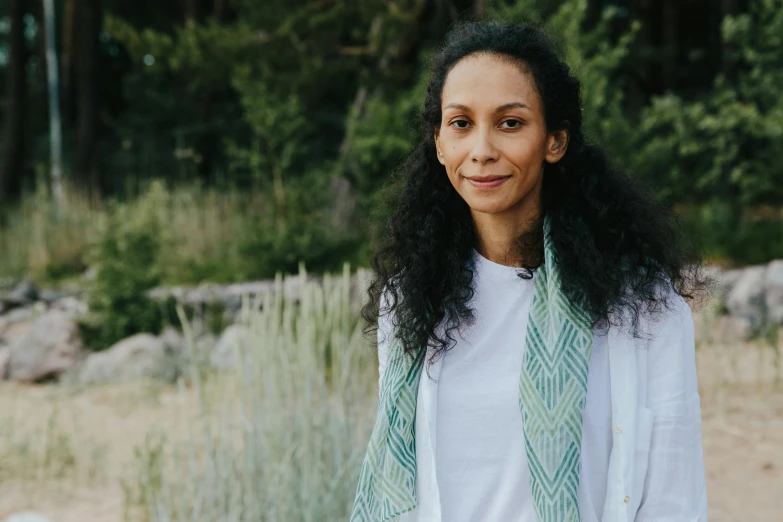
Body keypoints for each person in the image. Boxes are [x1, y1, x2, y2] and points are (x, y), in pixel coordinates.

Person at [350, 21, 708, 522]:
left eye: (510, 123)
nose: (481, 150)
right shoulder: (410, 300)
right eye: (460, 123)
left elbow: (674, 498)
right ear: (438, 144)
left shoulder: (641, 306)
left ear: (555, 140)